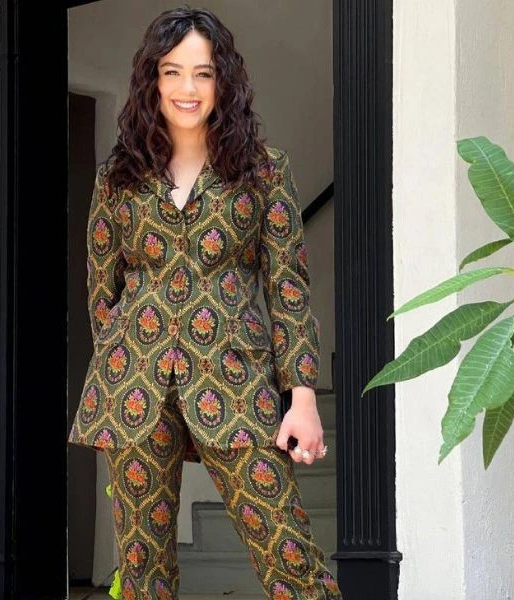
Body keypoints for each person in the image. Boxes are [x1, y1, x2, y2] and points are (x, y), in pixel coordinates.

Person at [68, 6, 343, 599]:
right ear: (152, 80)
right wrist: (119, 363)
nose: (187, 88)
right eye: (172, 71)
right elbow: (102, 290)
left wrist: (301, 397)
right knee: (142, 574)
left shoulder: (263, 171)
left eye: (203, 72)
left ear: (224, 81)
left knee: (291, 558)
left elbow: (288, 288)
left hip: (235, 381)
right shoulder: (118, 178)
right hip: (135, 387)